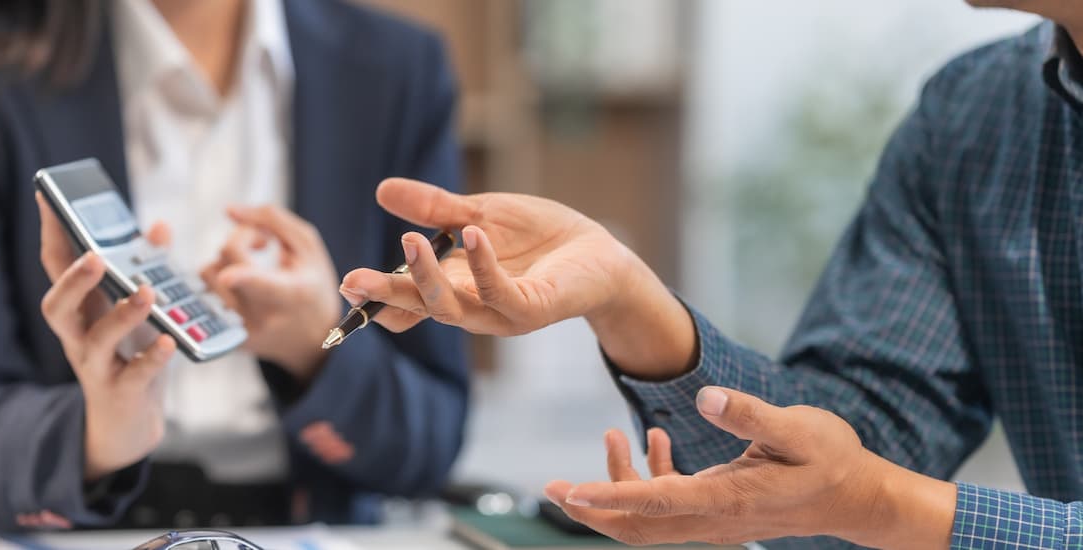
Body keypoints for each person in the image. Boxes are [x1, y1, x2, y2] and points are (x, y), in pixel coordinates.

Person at [339, 2, 1083, 548]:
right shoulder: (975, 114)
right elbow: (857, 453)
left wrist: (883, 504)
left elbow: (870, 492)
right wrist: (629, 300)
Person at [0, 0, 467, 533]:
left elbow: (433, 439)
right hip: (59, 527)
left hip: (296, 523)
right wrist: (95, 437)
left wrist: (319, 349)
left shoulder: (398, 70)